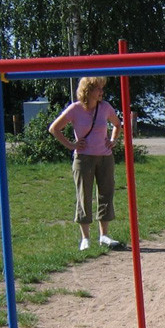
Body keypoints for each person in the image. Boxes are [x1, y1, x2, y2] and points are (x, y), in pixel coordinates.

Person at [49, 77, 124, 251]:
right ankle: (85, 238)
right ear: (88, 90)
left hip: (105, 157)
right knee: (84, 195)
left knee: (106, 193)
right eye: (98, 89)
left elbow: (117, 124)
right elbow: (54, 128)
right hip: (83, 158)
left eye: (101, 89)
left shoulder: (105, 107)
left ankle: (104, 235)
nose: (101, 92)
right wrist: (71, 145)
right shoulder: (75, 109)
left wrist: (113, 140)